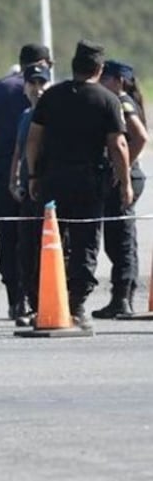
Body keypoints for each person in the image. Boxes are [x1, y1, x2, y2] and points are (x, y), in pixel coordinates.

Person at [25, 41, 132, 330]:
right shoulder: (107, 100)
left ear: (73, 66)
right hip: (89, 182)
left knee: (50, 242)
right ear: (99, 69)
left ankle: (44, 303)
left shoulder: (51, 97)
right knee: (86, 243)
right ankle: (76, 304)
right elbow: (119, 144)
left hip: (53, 180)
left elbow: (34, 139)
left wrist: (33, 175)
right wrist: (125, 184)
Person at [0, 44, 52, 321]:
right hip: (41, 171)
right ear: (41, 63)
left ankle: (15, 300)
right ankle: (40, 298)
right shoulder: (51, 91)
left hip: (3, 170)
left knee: (7, 236)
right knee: (41, 236)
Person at [93, 60, 148, 318]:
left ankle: (122, 299)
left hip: (125, 177)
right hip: (125, 176)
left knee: (121, 240)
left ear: (119, 81)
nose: (101, 83)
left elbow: (140, 137)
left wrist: (122, 169)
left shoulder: (123, 102)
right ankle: (121, 297)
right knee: (119, 239)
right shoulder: (121, 101)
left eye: (106, 78)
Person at [9, 63, 51, 327]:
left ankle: (50, 302)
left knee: (47, 249)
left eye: (41, 83)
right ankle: (29, 301)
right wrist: (13, 177)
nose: (37, 89)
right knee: (25, 248)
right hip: (27, 190)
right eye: (32, 84)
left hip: (47, 189)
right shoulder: (26, 114)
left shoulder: (55, 113)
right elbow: (19, 149)